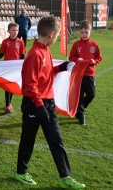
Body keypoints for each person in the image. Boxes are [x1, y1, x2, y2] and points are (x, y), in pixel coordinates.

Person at [15, 16, 85, 189]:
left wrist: (59, 68)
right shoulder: (34, 54)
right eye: (57, 36)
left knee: (56, 140)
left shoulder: (45, 50)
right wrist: (39, 106)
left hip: (48, 103)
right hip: (34, 104)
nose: (57, 39)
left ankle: (66, 177)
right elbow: (30, 85)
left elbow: (45, 74)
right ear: (51, 34)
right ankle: (21, 172)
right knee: (28, 140)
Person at [69, 20, 102, 126]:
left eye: (86, 33)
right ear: (79, 32)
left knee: (91, 94)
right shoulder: (76, 44)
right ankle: (81, 117)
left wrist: (94, 61)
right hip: (79, 74)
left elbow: (99, 57)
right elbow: (71, 57)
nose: (84, 35)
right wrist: (77, 59)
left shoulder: (94, 45)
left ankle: (79, 108)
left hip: (90, 73)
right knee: (79, 94)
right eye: (82, 32)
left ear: (90, 33)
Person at [0, 23, 26, 114]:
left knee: (12, 85)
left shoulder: (21, 42)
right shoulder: (5, 42)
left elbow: (22, 55)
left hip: (16, 68)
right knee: (7, 85)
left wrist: (25, 65)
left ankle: (9, 103)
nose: (15, 32)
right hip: (7, 67)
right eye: (13, 30)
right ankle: (8, 105)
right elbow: (2, 53)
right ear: (8, 31)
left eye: (17, 30)